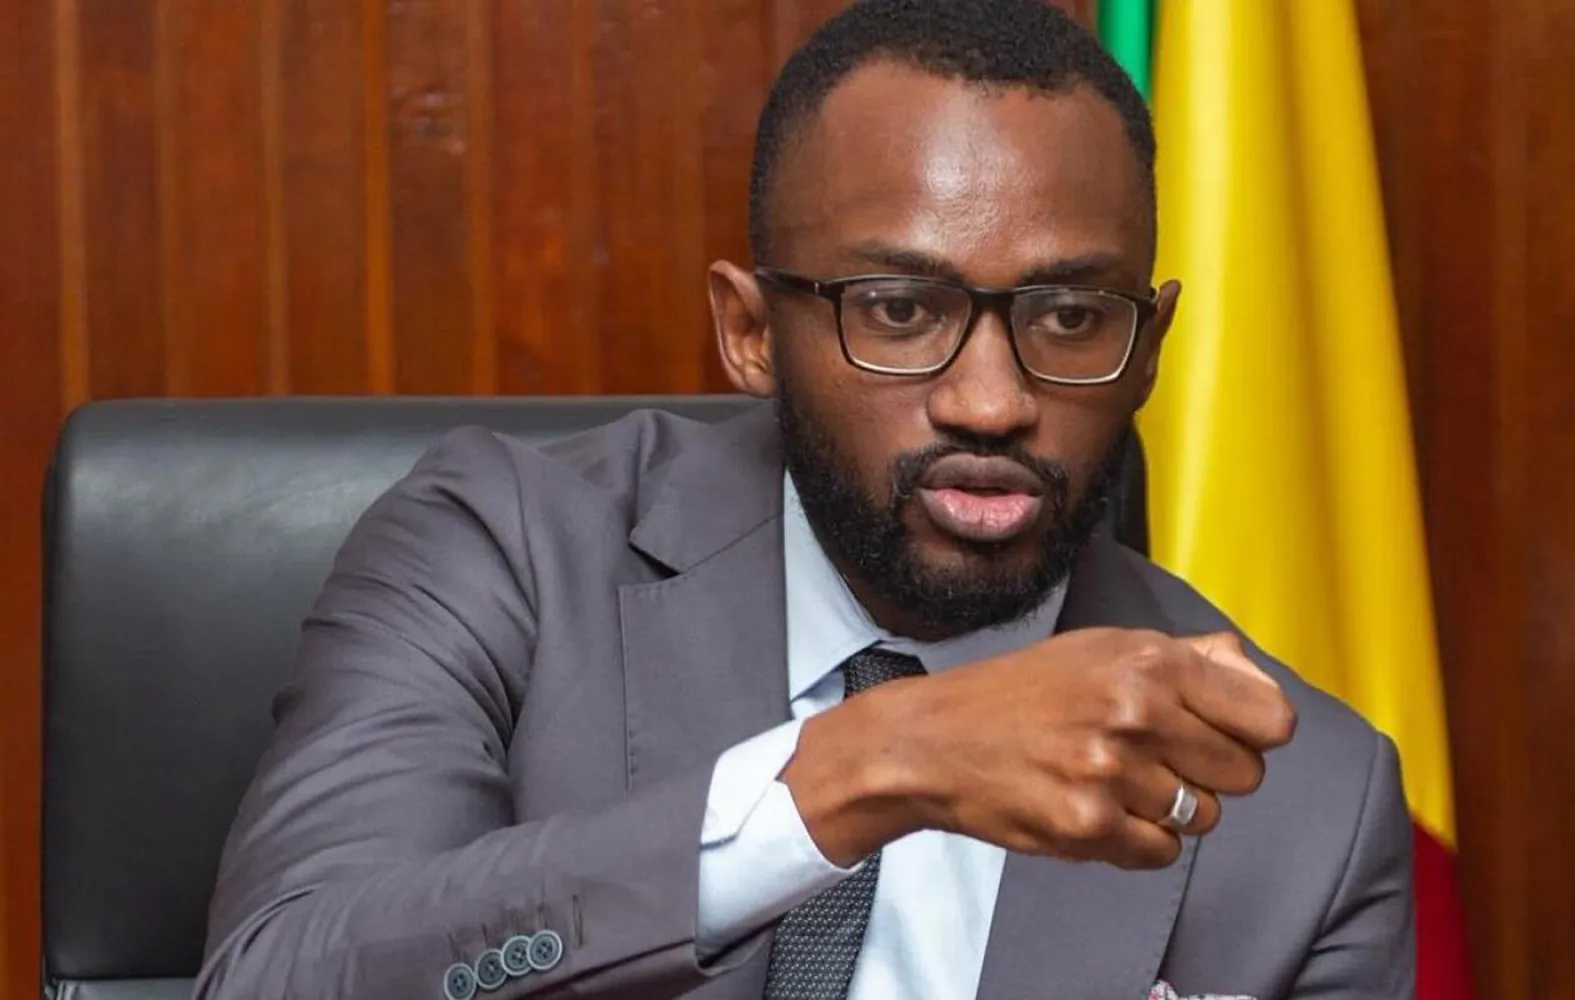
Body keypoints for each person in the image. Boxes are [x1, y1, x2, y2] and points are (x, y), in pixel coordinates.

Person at [196, 1, 1414, 998]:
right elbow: (278, 977)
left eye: (1068, 317)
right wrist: (864, 765)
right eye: (901, 310)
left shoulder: (1310, 806)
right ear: (748, 333)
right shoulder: (505, 553)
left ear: (1145, 353)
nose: (991, 403)